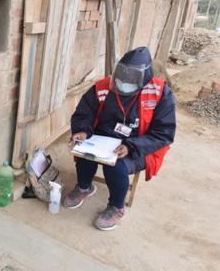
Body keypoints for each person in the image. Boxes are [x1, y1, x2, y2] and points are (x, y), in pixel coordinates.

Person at [64, 46, 176, 231]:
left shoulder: (161, 95)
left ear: (144, 81)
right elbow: (84, 112)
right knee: (84, 151)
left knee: (115, 166)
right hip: (103, 138)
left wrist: (131, 147)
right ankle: (84, 187)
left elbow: (164, 133)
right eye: (120, 81)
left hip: (139, 144)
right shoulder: (104, 87)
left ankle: (116, 207)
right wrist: (82, 131)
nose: (123, 86)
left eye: (130, 83)